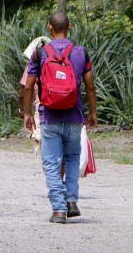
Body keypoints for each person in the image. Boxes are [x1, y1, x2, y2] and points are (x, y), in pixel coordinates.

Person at [23, 12, 97, 224]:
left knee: (51, 163)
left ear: (49, 27)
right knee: (73, 158)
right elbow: (90, 86)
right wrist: (93, 112)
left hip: (49, 117)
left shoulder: (40, 53)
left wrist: (28, 113)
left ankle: (58, 209)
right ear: (69, 26)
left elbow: (28, 85)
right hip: (75, 116)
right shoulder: (81, 52)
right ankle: (72, 199)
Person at [18, 36, 51, 152]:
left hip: (41, 107)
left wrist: (24, 112)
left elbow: (24, 92)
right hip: (60, 107)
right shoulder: (57, 63)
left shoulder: (31, 67)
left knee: (44, 145)